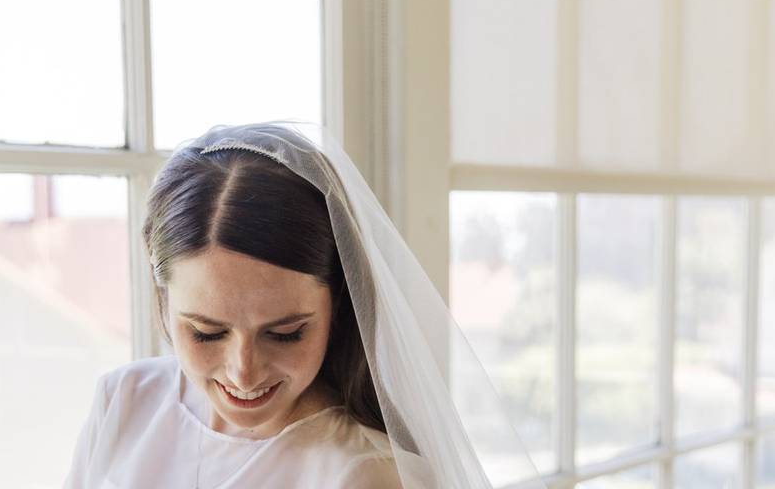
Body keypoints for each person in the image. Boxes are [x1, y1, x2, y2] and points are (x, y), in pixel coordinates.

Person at [63, 121, 546, 489]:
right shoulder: (124, 401)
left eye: (286, 332)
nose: (244, 372)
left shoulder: (362, 473)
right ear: (163, 299)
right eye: (206, 332)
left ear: (338, 303)